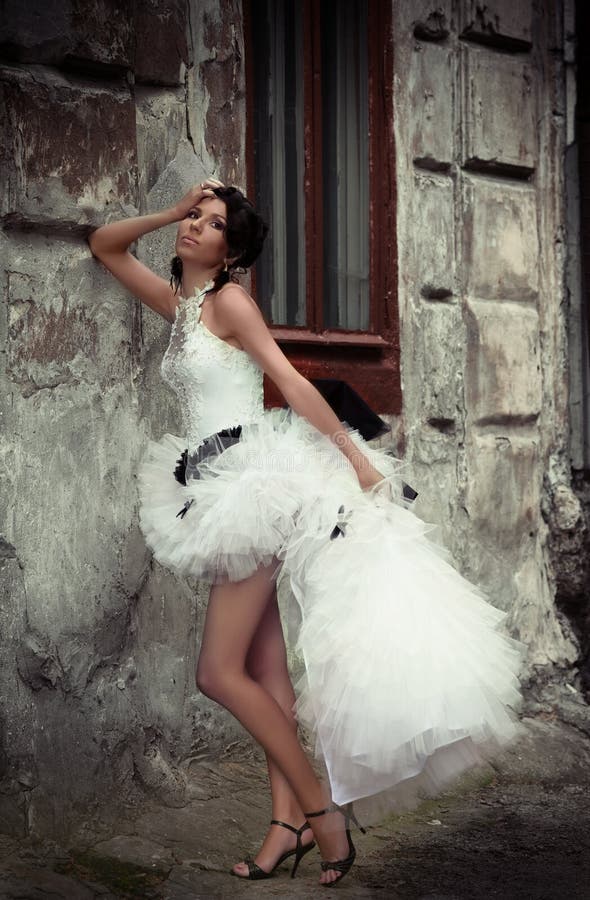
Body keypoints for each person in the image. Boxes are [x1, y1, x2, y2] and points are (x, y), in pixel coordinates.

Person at [88, 179, 526, 887]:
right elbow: (105, 245)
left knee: (216, 673)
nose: (195, 228)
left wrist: (356, 459)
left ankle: (323, 816)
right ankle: (284, 826)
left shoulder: (230, 303)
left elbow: (287, 380)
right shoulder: (183, 307)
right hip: (209, 486)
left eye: (210, 223)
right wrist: (168, 211)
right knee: (264, 673)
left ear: (233, 249)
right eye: (193, 218)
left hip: (252, 486)